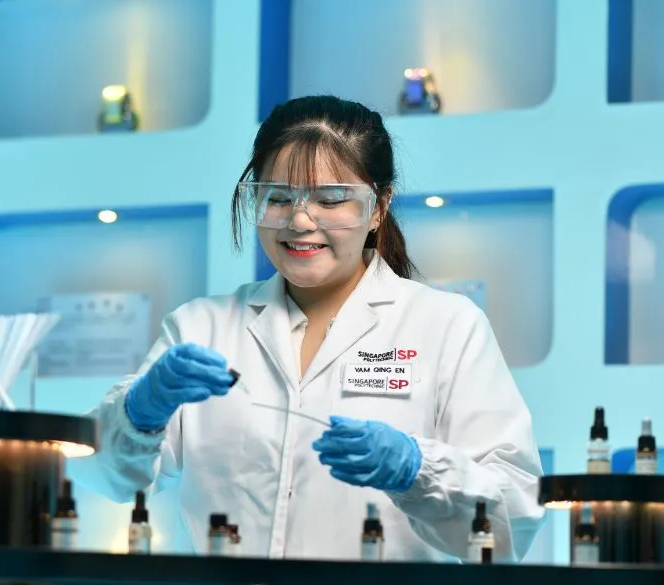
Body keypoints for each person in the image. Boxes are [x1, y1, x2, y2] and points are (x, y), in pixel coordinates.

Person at [68, 95, 544, 562]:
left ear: (378, 206)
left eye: (331, 200)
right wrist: (138, 411)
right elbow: (103, 474)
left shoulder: (446, 326)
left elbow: (513, 523)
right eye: (277, 198)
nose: (299, 221)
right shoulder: (201, 326)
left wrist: (417, 472)